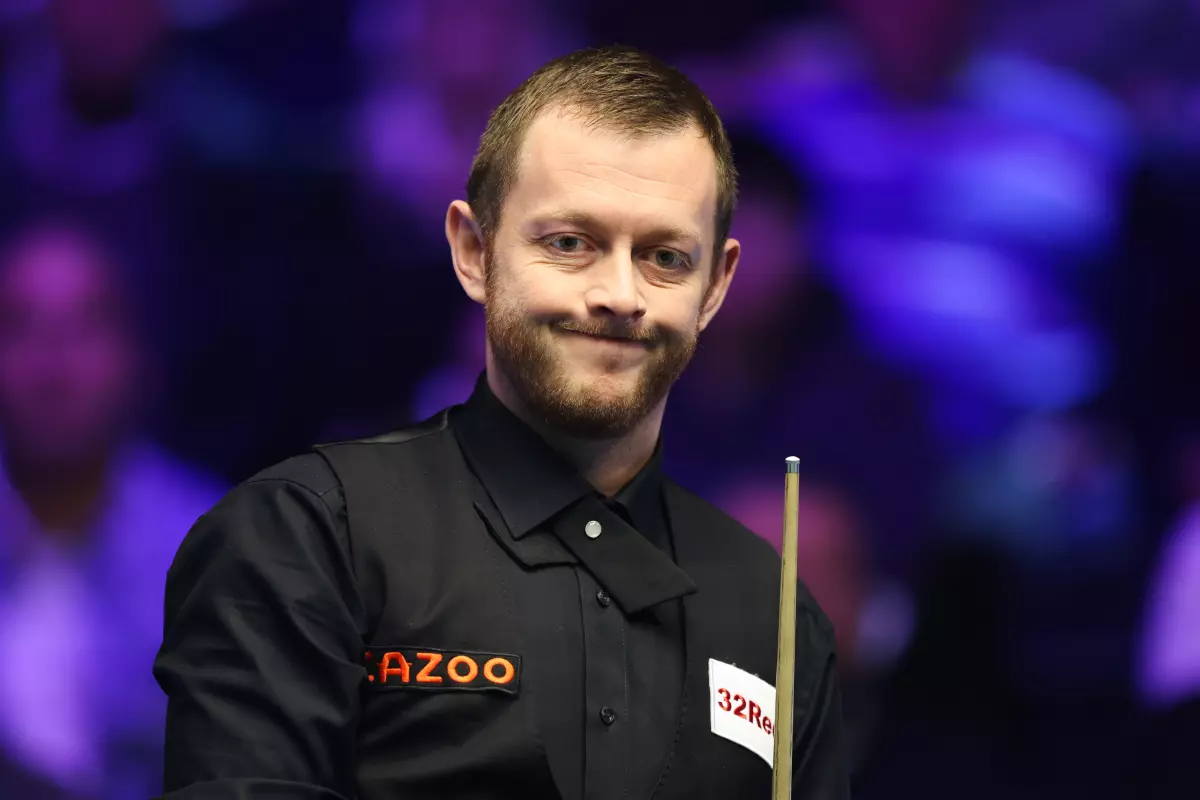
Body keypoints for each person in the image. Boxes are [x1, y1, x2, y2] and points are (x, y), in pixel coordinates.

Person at [155, 46, 848, 799]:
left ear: (715, 288)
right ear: (474, 252)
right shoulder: (307, 537)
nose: (619, 294)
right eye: (570, 244)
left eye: (665, 257)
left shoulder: (772, 612)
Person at [0, 220, 224, 799]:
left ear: (134, 358)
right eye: (20, 328)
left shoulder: (211, 545)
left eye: (83, 328)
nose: (52, 367)